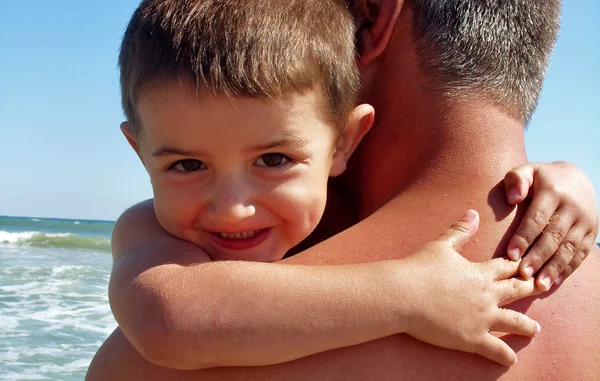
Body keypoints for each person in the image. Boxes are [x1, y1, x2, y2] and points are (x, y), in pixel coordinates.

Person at [87, 0, 600, 380]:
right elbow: (171, 316)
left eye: (273, 159)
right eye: (188, 163)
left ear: (369, 19)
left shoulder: (144, 369)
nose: (234, 207)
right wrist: (407, 293)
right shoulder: (153, 236)